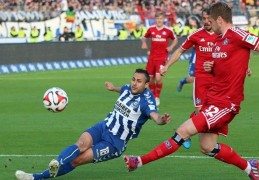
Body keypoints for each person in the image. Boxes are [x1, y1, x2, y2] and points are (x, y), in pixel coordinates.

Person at [124, 2, 259, 179]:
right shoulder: (218, 40)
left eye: (210, 20)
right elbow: (226, 65)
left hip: (225, 103)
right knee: (207, 146)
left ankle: (139, 161)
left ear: (219, 19)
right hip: (212, 99)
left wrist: (244, 65)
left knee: (183, 131)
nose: (208, 23)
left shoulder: (238, 34)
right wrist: (213, 66)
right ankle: (251, 168)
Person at [15, 68, 171, 180]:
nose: (134, 83)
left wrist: (161, 120)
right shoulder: (127, 89)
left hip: (115, 142)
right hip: (103, 126)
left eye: (139, 81)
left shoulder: (146, 101)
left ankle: (39, 176)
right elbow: (122, 88)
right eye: (133, 79)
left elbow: (155, 116)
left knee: (77, 160)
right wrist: (112, 88)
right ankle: (55, 164)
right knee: (81, 143)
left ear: (146, 85)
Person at [142, 12, 178, 106]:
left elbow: (175, 39)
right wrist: (144, 43)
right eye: (157, 18)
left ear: (163, 20)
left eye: (161, 19)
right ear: (155, 19)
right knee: (150, 79)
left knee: (158, 78)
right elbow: (144, 37)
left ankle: (157, 96)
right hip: (152, 58)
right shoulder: (151, 29)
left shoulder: (168, 30)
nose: (159, 20)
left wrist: (171, 47)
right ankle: (153, 95)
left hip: (162, 57)